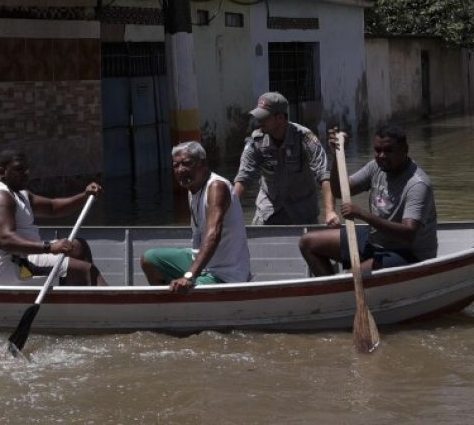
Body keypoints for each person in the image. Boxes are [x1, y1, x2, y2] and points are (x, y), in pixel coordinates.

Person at [299, 124, 438, 276]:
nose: (382, 156)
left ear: (405, 150)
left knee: (352, 275)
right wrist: (336, 158)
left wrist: (363, 214)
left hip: (408, 252)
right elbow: (339, 190)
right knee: (308, 243)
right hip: (376, 237)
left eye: (388, 150)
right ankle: (330, 293)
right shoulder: (376, 167)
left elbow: (408, 234)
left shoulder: (417, 184)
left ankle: (343, 291)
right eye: (378, 151)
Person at [0, 147, 107, 286]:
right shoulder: (0, 197)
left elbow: (53, 208)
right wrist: (49, 247)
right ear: (1, 171)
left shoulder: (21, 194)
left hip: (29, 258)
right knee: (87, 272)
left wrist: (84, 196)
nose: (26, 173)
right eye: (19, 169)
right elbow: (5, 240)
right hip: (17, 267)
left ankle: (75, 300)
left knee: (79, 247)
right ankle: (110, 305)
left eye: (26, 168)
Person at [142, 141, 251, 290]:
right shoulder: (193, 188)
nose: (181, 170)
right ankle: (169, 305)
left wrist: (189, 276)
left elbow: (213, 234)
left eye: (187, 164)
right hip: (202, 262)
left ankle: (180, 302)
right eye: (176, 165)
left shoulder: (216, 187)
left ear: (203, 163)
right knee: (149, 259)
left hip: (225, 274)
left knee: (186, 287)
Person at [233, 91, 338, 226]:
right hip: (269, 208)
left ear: (280, 118)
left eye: (265, 117)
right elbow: (243, 178)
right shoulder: (256, 141)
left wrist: (330, 211)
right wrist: (228, 211)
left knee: (308, 244)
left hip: (302, 210)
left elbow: (324, 175)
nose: (260, 122)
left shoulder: (304, 138)